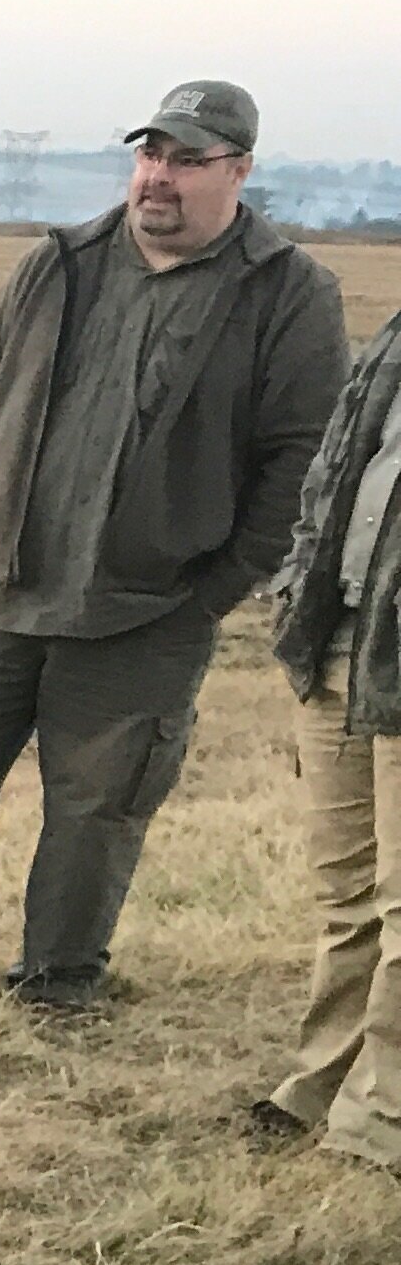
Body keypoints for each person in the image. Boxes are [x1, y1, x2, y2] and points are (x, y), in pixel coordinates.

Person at [0, 81, 349, 1012]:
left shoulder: (287, 292)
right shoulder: (57, 265)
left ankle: (58, 980)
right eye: (150, 154)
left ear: (241, 170)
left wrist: (213, 590)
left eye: (187, 159)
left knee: (99, 805)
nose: (159, 177)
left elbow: (303, 457)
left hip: (148, 607)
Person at [252, 296, 401, 1170]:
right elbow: (328, 484)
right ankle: (319, 1085)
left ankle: (379, 1119)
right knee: (346, 897)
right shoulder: (388, 346)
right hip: (338, 640)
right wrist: (296, 583)